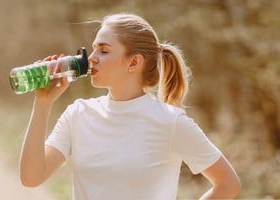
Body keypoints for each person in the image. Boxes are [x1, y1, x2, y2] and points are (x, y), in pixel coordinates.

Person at [19, 13, 241, 200]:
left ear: (134, 62)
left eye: (104, 51)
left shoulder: (170, 122)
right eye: (93, 49)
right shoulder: (78, 114)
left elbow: (227, 183)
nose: (92, 58)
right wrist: (43, 102)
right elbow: (31, 177)